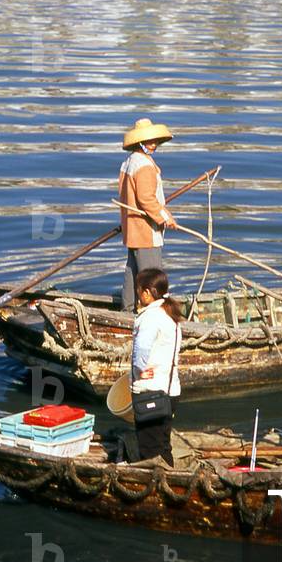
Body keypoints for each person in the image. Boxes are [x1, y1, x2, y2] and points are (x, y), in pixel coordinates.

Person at [119, 118, 178, 312]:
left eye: (155, 141)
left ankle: (127, 309)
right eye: (149, 141)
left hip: (132, 229)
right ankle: (152, 312)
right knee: (151, 276)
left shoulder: (129, 162)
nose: (153, 145)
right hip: (145, 231)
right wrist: (164, 217)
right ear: (140, 143)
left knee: (132, 271)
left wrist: (164, 212)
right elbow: (146, 199)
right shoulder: (143, 165)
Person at [130, 268, 183, 465]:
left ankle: (157, 488)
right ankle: (169, 480)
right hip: (170, 390)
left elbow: (140, 354)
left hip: (150, 391)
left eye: (138, 290)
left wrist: (138, 376)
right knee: (162, 444)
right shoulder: (170, 315)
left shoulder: (151, 317)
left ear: (146, 293)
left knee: (150, 448)